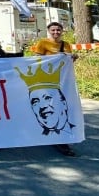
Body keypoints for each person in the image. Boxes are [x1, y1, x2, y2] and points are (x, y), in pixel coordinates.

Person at [30, 22, 78, 156]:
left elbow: (66, 62)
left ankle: (60, 138)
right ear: (48, 31)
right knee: (50, 107)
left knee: (62, 108)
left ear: (62, 31)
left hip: (62, 81)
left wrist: (72, 58)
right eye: (53, 30)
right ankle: (57, 138)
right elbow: (36, 60)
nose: (56, 32)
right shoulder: (43, 43)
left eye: (58, 30)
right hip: (46, 82)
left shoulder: (66, 45)